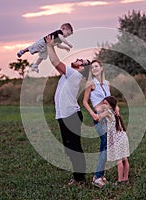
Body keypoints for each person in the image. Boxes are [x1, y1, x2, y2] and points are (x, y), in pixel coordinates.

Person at [46, 35, 89, 186]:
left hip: (71, 116)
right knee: (69, 149)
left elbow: (55, 62)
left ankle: (80, 179)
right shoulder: (69, 74)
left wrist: (50, 46)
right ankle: (78, 176)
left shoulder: (74, 73)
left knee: (74, 147)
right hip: (63, 115)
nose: (78, 60)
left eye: (81, 61)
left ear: (82, 68)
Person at [83, 60, 119, 188]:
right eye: (92, 67)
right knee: (104, 145)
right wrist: (92, 114)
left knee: (107, 146)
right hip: (99, 117)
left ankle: (101, 175)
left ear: (102, 68)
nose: (94, 69)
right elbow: (85, 102)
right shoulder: (90, 84)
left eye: (96, 66)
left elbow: (110, 100)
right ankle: (97, 177)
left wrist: (116, 107)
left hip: (108, 117)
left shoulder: (107, 84)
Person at [98, 96, 130, 185]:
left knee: (119, 161)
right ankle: (125, 178)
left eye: (106, 103)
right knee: (125, 159)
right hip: (123, 136)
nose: (104, 105)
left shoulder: (108, 112)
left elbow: (98, 117)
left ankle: (120, 181)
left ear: (111, 105)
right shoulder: (115, 111)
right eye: (103, 103)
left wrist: (99, 110)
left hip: (117, 139)